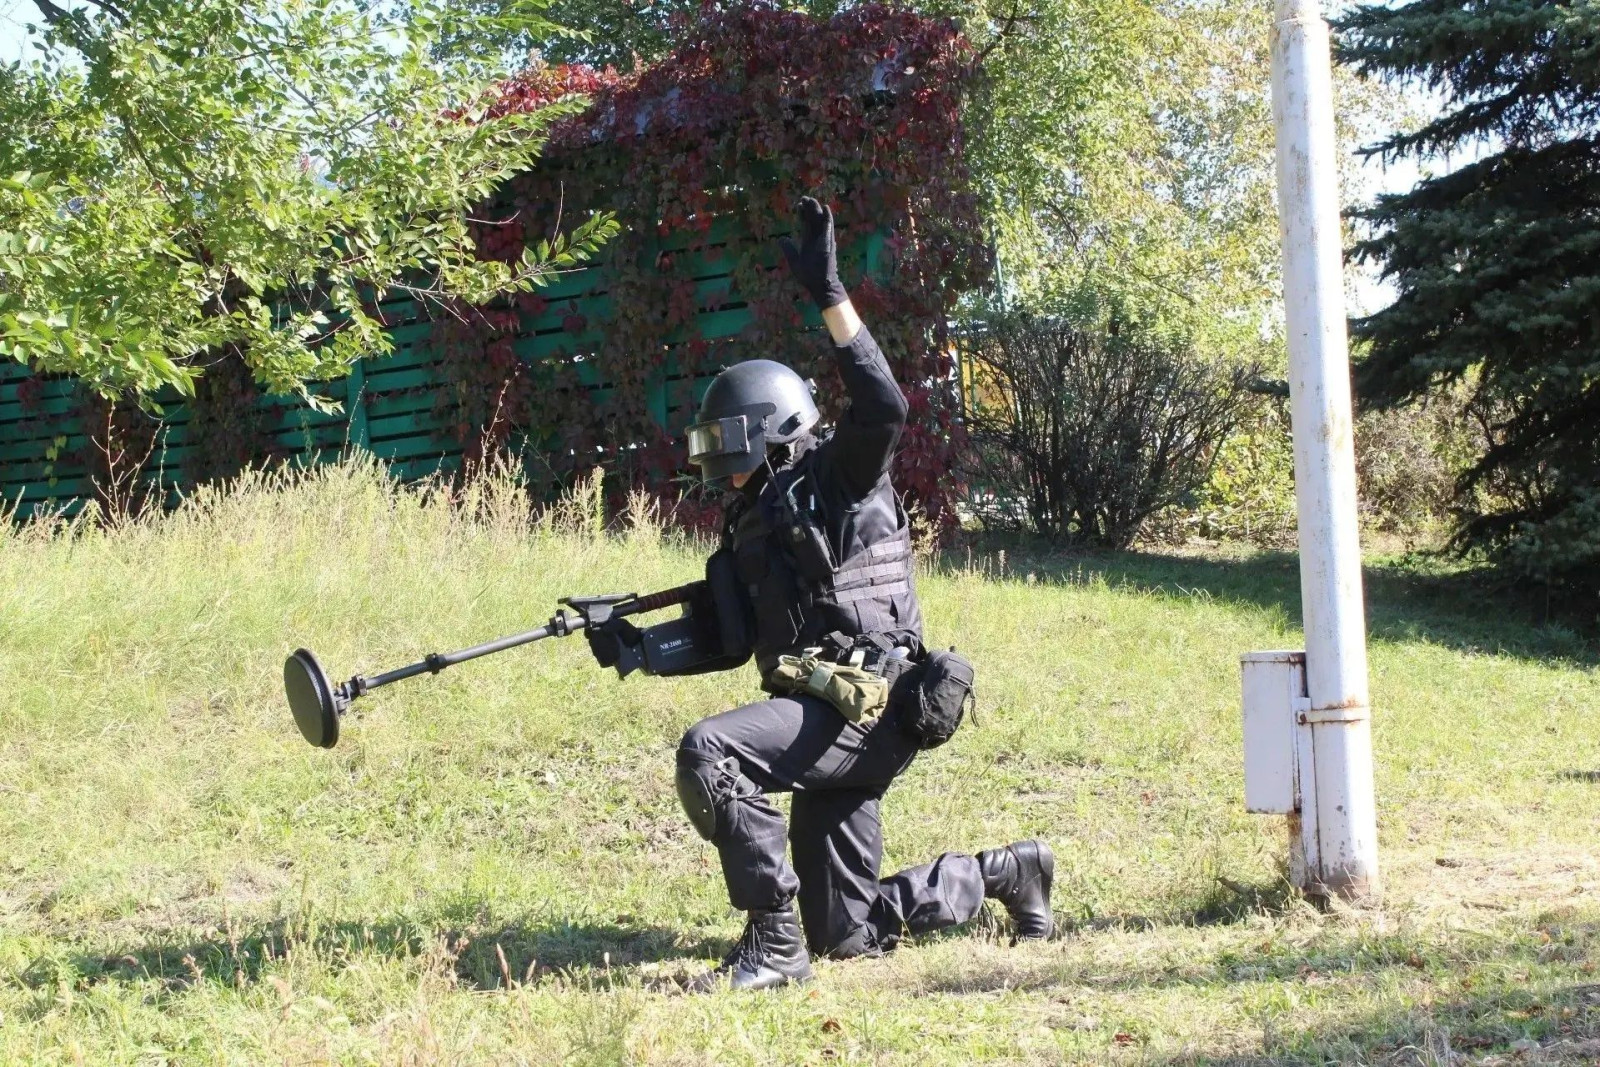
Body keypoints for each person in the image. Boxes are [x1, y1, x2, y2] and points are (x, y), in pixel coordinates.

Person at [587, 197, 1053, 991]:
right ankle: (1008, 871)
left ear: (769, 429)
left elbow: (886, 407)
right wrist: (636, 647)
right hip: (827, 714)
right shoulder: (753, 519)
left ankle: (773, 942)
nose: (715, 461)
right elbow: (729, 637)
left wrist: (831, 296)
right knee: (847, 934)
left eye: (726, 442)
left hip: (873, 707)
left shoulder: (838, 478)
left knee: (710, 750)